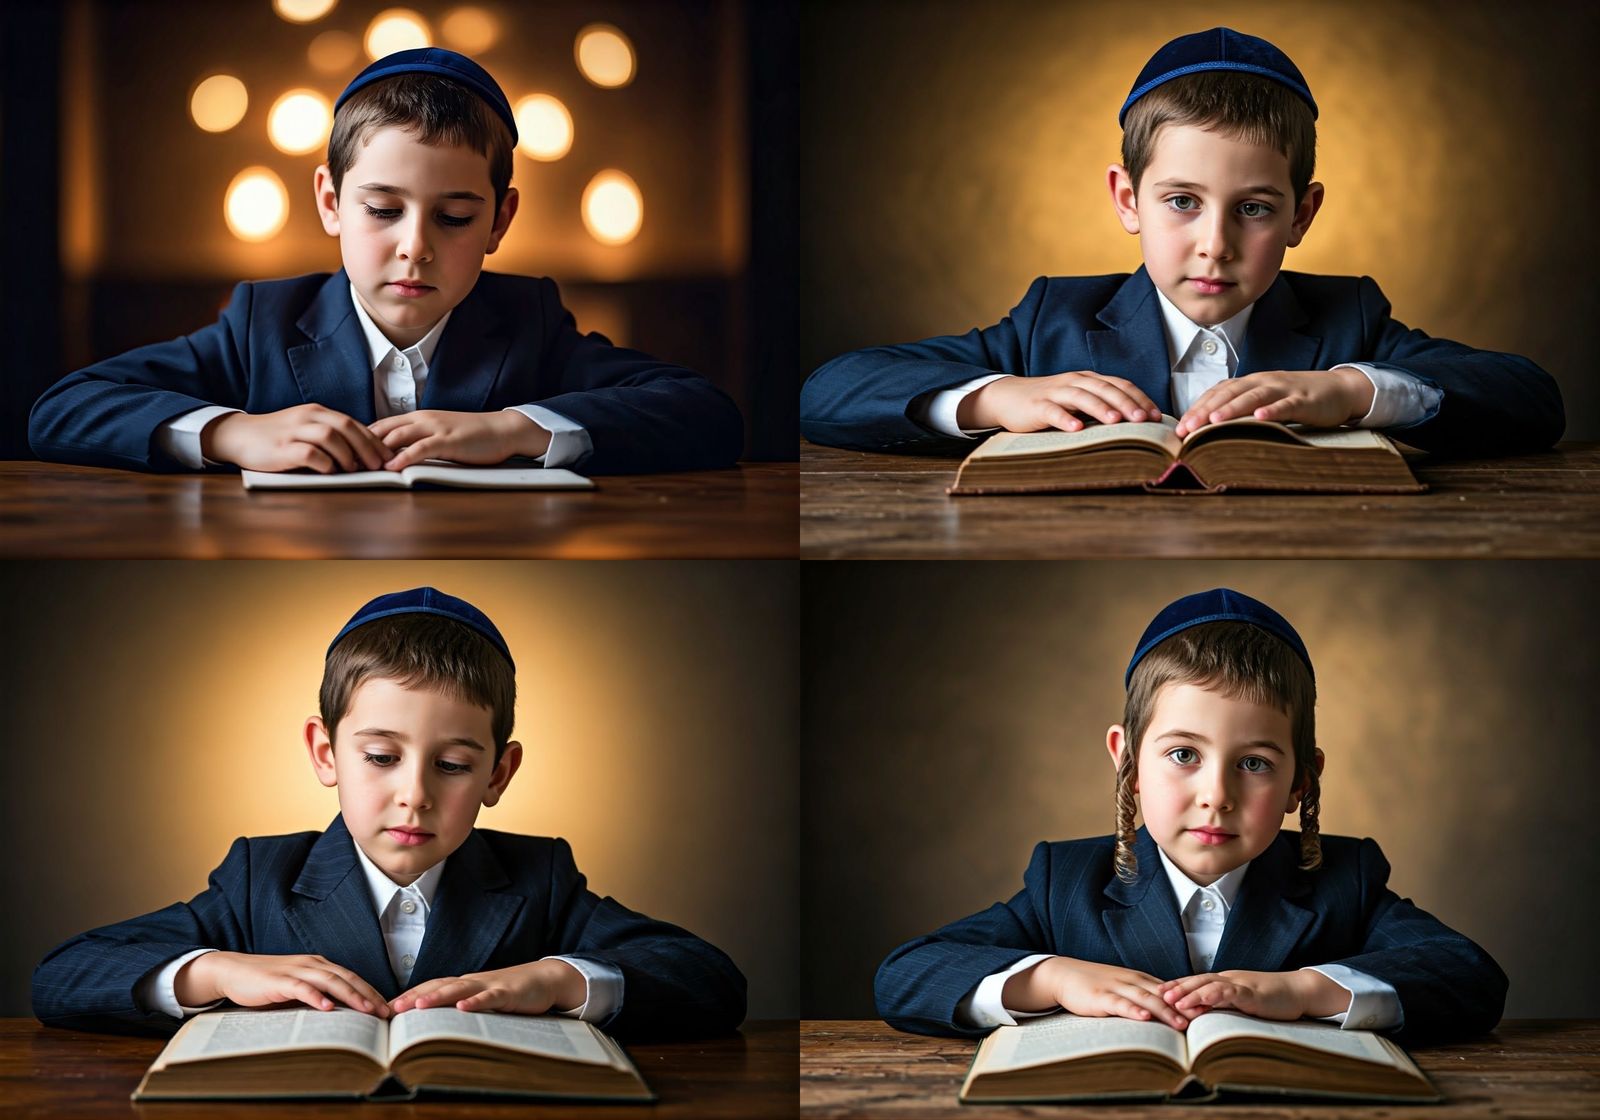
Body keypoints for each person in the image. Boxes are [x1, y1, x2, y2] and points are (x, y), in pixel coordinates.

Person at [801, 28, 1563, 459]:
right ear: (1128, 201)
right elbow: (828, 391)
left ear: (1302, 216)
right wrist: (998, 396)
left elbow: (1532, 397)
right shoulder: (1053, 321)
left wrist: (1355, 391)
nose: (1216, 244)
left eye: (1255, 210)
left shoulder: (1346, 322)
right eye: (1181, 203)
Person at [32, 587, 746, 1039]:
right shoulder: (260, 876)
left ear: (499, 772)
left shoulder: (540, 878)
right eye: (381, 757)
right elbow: (62, 976)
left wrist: (561, 980)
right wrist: (215, 973)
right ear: (325, 752)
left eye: (454, 764)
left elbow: (710, 980)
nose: (414, 794)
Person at [29, 48, 744, 475]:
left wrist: (516, 428)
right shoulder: (263, 321)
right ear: (331, 202)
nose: (415, 245)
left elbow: (706, 414)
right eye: (382, 209)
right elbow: (61, 410)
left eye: (456, 217)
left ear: (501, 220)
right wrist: (232, 431)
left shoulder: (530, 320)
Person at [874, 587, 1507, 1045]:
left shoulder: (1348, 882)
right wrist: (1053, 978)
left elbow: (1472, 978)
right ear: (1127, 760)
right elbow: (904, 975)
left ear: (1300, 780)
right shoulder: (1063, 882)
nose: (1217, 795)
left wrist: (1302, 991)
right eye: (1183, 754)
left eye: (1254, 763)